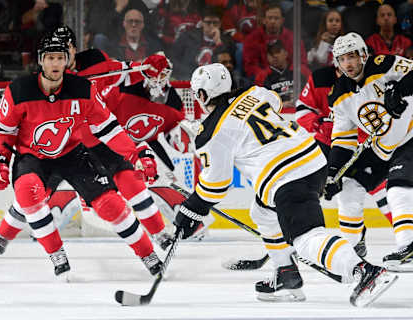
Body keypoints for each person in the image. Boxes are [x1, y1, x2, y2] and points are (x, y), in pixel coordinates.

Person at [173, 62, 397, 306]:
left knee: (306, 238)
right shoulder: (255, 93)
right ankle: (285, 274)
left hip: (286, 177)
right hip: (312, 158)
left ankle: (364, 271)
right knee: (261, 213)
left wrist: (190, 209)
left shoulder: (211, 132)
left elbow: (216, 183)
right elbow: (274, 103)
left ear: (203, 95)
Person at [0, 33, 165, 279]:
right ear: (41, 61)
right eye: (50, 58)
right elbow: (4, 131)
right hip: (34, 157)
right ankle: (55, 255)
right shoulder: (19, 90)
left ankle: (149, 255)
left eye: (60, 58)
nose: (56, 64)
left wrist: (134, 155)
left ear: (68, 58)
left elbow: (110, 129)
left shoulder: (83, 88)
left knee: (111, 204)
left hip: (73, 152)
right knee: (27, 193)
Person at [325, 31, 413, 272]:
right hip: (382, 146)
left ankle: (409, 246)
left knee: (397, 189)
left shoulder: (383, 64)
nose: (348, 64)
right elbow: (343, 140)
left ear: (363, 54)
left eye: (352, 57)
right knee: (349, 188)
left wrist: (400, 91)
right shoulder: (338, 94)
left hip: (410, 136)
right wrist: (333, 172)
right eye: (342, 59)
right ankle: (350, 253)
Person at [296, 65, 392, 258]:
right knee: (318, 192)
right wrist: (318, 123)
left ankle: (408, 237)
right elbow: (301, 110)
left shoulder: (372, 80)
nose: (347, 68)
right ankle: (305, 238)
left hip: (365, 146)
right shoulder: (321, 78)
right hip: (328, 148)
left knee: (382, 192)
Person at [242, 3, 308, 78]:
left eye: (276, 18)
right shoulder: (252, 38)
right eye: (270, 18)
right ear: (264, 20)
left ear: (282, 20)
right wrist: (266, 75)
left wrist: (288, 73)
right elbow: (250, 66)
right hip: (264, 80)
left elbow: (301, 62)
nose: (273, 21)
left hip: (290, 76)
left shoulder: (293, 37)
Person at [171, 5, 236, 80]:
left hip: (216, 79)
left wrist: (218, 43)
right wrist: (191, 74)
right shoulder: (187, 37)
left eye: (215, 23)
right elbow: (174, 59)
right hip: (189, 77)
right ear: (202, 23)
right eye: (208, 22)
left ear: (220, 23)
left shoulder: (227, 41)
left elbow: (229, 65)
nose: (211, 26)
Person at [255, 39, 310, 109]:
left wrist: (303, 99)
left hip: (301, 110)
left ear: (286, 53)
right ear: (267, 57)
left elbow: (314, 92)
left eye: (277, 52)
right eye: (271, 53)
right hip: (277, 115)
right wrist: (279, 105)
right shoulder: (261, 76)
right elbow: (258, 102)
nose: (274, 56)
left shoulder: (302, 70)